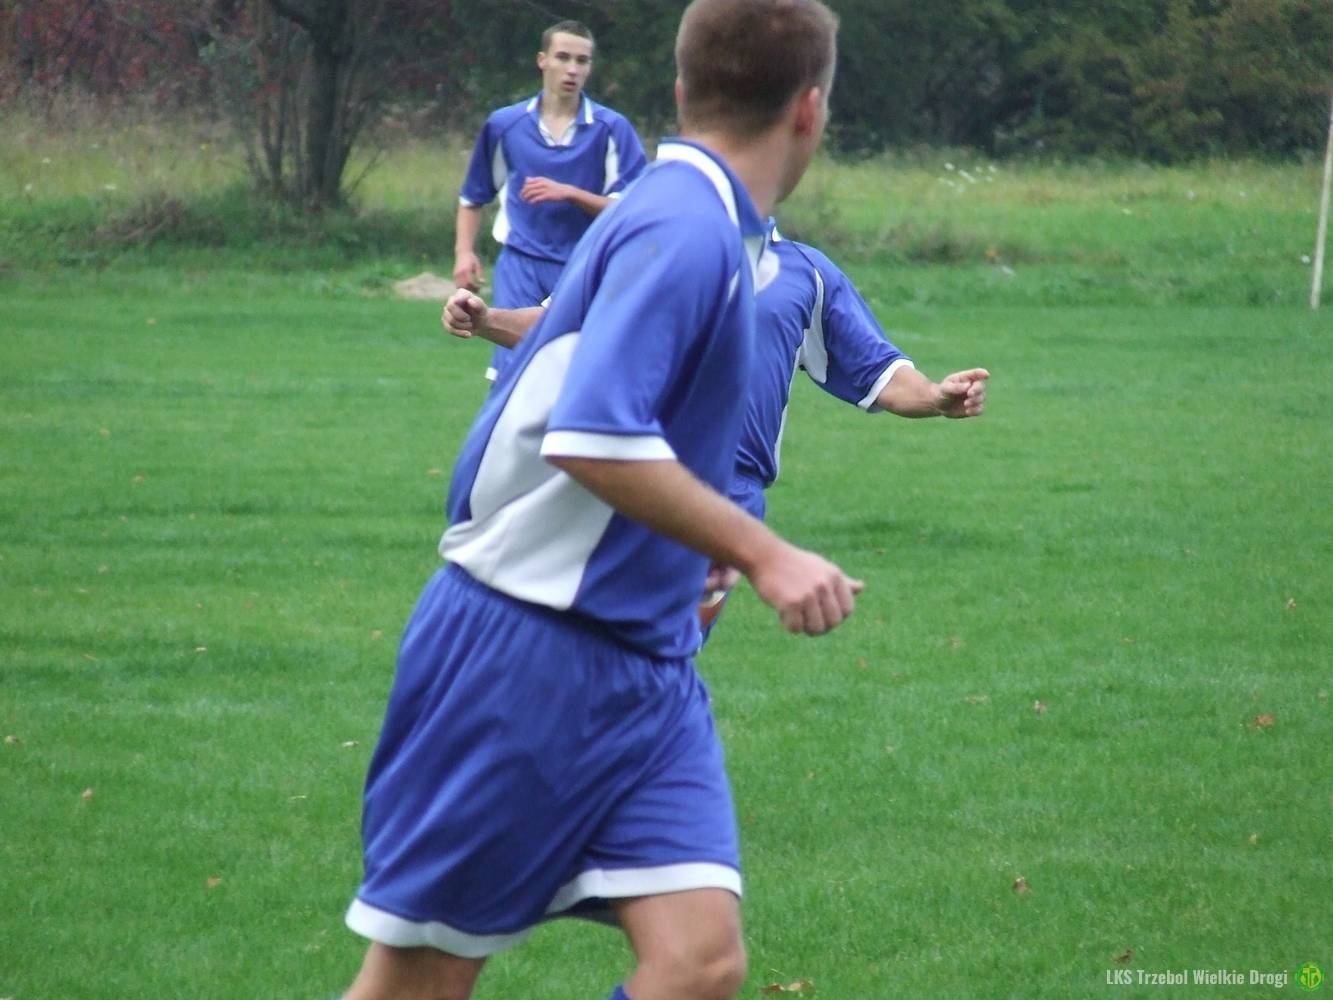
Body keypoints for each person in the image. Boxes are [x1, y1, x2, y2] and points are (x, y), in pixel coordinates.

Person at [340, 3, 844, 1000]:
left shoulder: (688, 217)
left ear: (681, 91)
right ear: (809, 109)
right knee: (417, 984)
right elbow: (589, 433)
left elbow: (603, 410)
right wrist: (763, 552)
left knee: (698, 964)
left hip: (643, 661)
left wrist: (682, 547)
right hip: (524, 652)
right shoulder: (686, 229)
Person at [442, 222, 989, 631]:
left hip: (731, 496)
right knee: (623, 662)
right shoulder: (642, 246)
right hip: (636, 480)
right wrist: (487, 319)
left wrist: (936, 397)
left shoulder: (806, 272)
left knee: (656, 660)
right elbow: (558, 324)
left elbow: (880, 373)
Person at [453, 19, 648, 381]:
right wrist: (464, 253)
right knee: (513, 374)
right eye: (563, 57)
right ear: (542, 60)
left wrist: (570, 193)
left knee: (575, 375)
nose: (572, 69)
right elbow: (472, 197)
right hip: (521, 265)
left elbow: (634, 210)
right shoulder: (505, 125)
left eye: (582, 60)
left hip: (583, 268)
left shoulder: (611, 129)